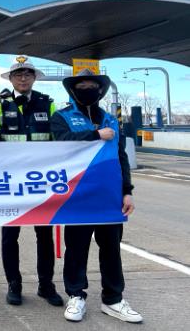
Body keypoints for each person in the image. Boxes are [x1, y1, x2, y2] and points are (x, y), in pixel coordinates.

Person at [51, 69, 142, 324]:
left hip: (109, 197)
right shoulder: (62, 117)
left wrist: (127, 191)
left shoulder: (111, 119)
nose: (87, 89)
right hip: (77, 195)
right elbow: (60, 142)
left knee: (111, 248)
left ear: (100, 91)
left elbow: (121, 156)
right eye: (82, 86)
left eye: (92, 86)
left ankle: (113, 299)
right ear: (73, 90)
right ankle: (75, 295)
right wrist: (94, 135)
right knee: (76, 249)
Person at [0, 56, 63, 307]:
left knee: (44, 236)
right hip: (10, 183)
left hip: (40, 183)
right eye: (18, 74)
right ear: (10, 79)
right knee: (10, 236)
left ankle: (46, 285)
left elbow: (60, 139)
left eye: (28, 74)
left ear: (34, 78)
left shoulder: (48, 104)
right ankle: (14, 284)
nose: (23, 78)